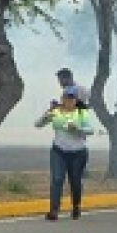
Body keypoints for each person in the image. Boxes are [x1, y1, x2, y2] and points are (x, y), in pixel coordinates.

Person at [33, 87, 94, 220]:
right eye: (66, 97)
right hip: (59, 151)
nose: (69, 101)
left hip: (78, 153)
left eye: (72, 98)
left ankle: (76, 206)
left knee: (75, 181)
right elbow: (37, 124)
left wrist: (77, 129)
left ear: (76, 100)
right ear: (62, 99)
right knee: (57, 179)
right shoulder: (56, 112)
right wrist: (46, 115)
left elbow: (90, 130)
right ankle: (54, 210)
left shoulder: (82, 113)